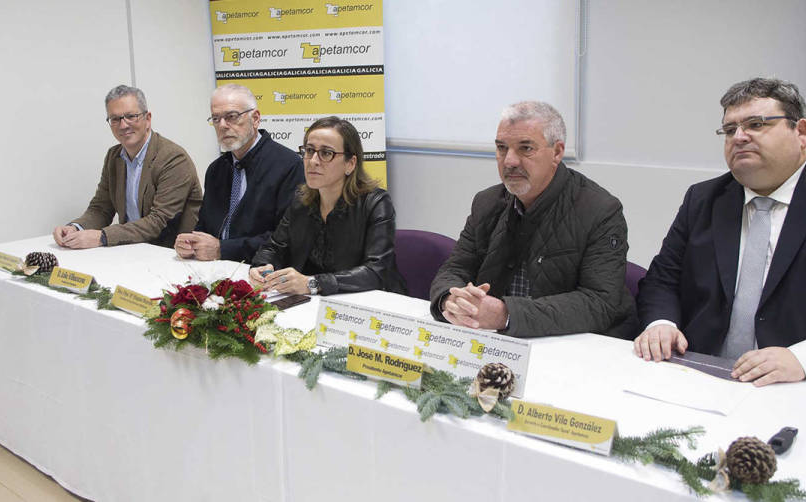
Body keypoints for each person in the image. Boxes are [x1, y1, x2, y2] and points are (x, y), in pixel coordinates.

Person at [635, 77, 806, 386]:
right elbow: (663, 278)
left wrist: (805, 358)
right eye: (729, 130)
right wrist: (661, 323)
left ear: (802, 132)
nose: (739, 137)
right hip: (700, 375)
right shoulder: (703, 199)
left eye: (756, 124)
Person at [429, 101, 636, 338]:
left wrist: (507, 314)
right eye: (501, 148)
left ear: (557, 152)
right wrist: (450, 299)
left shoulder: (600, 210)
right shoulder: (486, 202)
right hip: (501, 342)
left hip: (573, 344)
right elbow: (455, 268)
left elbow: (599, 303)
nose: (509, 161)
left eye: (525, 148)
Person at [248, 116, 406, 296]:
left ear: (350, 163)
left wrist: (312, 283)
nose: (313, 160)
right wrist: (262, 267)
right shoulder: (301, 200)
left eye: (326, 153)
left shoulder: (375, 203)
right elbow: (274, 247)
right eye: (309, 150)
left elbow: (376, 271)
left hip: (369, 305)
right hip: (314, 302)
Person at [52, 85, 202, 248]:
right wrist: (75, 228)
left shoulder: (173, 159)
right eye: (115, 119)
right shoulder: (113, 157)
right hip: (131, 252)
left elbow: (158, 222)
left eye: (131, 116)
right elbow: (101, 208)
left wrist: (102, 237)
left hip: (171, 255)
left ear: (148, 118)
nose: (123, 125)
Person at [175, 84, 303, 262]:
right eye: (216, 118)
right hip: (212, 270)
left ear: (255, 118)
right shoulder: (216, 169)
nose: (222, 126)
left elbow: (286, 238)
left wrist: (224, 250)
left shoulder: (289, 165)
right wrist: (192, 243)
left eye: (231, 117)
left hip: (263, 272)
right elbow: (205, 226)